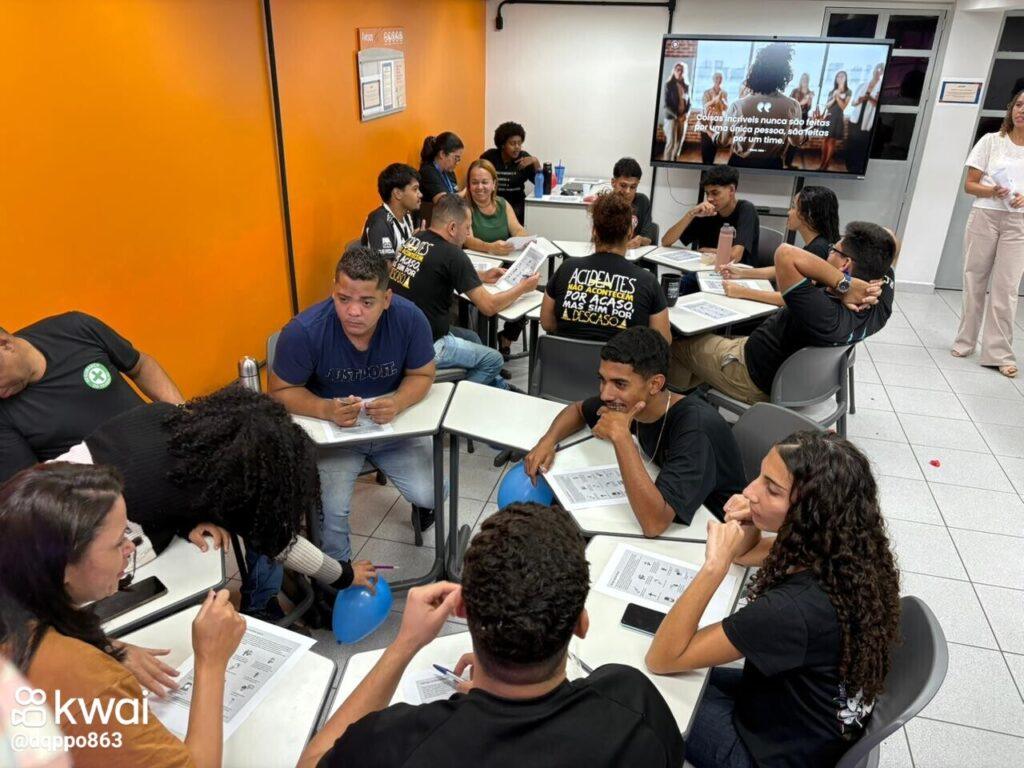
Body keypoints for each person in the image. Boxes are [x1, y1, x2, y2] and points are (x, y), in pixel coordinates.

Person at [299, 502, 685, 768]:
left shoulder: (395, 743)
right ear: (581, 625)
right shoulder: (634, 704)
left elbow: (312, 761)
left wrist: (404, 644)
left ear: (461, 610)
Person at [645, 431, 901, 768]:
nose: (750, 491)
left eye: (772, 489)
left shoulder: (790, 610)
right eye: (760, 476)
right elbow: (746, 553)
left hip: (767, 756)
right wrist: (752, 517)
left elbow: (663, 658)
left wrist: (713, 567)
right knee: (688, 673)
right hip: (803, 715)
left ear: (809, 511)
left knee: (649, 686)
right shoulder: (842, 548)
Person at [57, 385, 377, 622]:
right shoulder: (215, 486)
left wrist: (186, 522)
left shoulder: (160, 414)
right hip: (77, 558)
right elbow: (282, 544)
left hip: (47, 484)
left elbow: (156, 479)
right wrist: (345, 575)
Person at [0, 463, 247, 768]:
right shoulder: (87, 683)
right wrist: (211, 661)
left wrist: (103, 647)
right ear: (62, 565)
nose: (130, 547)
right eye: (118, 542)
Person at [270, 247, 440, 563]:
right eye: (343, 298)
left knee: (433, 492)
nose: (353, 312)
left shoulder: (409, 319)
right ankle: (338, 575)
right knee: (332, 512)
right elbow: (280, 390)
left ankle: (423, 509)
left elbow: (423, 373)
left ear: (386, 299)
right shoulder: (304, 331)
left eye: (367, 302)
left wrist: (398, 401)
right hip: (334, 437)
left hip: (393, 428)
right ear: (333, 291)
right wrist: (325, 409)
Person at [525, 328, 746, 536]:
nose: (605, 395)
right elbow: (578, 410)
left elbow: (654, 524)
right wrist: (547, 441)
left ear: (655, 384)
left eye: (620, 384)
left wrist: (621, 437)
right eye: (602, 380)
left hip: (716, 531)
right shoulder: (632, 403)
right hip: (677, 513)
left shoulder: (695, 428)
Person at [668, 222, 896, 404]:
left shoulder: (823, 311)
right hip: (798, 380)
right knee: (706, 343)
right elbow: (889, 241)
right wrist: (847, 284)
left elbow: (785, 254)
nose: (827, 254)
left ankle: (674, 407)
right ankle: (698, 387)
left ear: (845, 265)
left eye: (832, 250)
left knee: (673, 342)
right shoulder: (880, 305)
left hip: (750, 374)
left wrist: (844, 284)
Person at [0, 312, 183, 483]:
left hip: (171, 451)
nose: (1, 394)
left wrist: (182, 415)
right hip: (112, 494)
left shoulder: (74, 328)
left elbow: (140, 367)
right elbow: (32, 489)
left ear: (5, 344)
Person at [390, 194, 539, 390]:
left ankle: (498, 386)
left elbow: (436, 271)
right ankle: (459, 396)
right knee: (493, 360)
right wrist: (523, 287)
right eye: (467, 227)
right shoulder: (453, 255)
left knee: (473, 338)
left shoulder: (416, 239)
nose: (469, 233)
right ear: (452, 228)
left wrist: (481, 276)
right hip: (427, 346)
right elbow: (489, 307)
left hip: (399, 336)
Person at [952, 89, 1024, 379]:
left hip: (1019, 223)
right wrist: (992, 190)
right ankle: (965, 341)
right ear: (1011, 109)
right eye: (1019, 104)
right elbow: (969, 185)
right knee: (974, 279)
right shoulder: (991, 141)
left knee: (1006, 288)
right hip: (985, 216)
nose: (1022, 110)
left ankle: (999, 354)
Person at [543, 192, 670, 344]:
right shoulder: (647, 281)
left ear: (594, 231)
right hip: (622, 359)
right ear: (630, 232)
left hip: (566, 359)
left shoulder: (566, 268)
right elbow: (662, 341)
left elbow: (547, 323)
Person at [717, 186, 840, 307]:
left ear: (808, 214)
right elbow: (782, 271)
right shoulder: (821, 243)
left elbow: (794, 299)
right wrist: (742, 273)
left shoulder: (817, 249)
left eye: (793, 207)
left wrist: (742, 292)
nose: (789, 212)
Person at [462, 159, 531, 358]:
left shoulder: (502, 204)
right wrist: (490, 247)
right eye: (474, 182)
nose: (480, 187)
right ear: (469, 185)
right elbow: (468, 240)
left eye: (485, 182)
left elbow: (517, 229)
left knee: (526, 292)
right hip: (478, 268)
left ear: (494, 184)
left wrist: (521, 239)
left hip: (505, 264)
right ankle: (483, 349)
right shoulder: (465, 207)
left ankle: (506, 338)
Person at [662, 166, 761, 296]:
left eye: (715, 193)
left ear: (731, 190)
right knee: (667, 289)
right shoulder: (708, 212)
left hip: (736, 278)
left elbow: (734, 256)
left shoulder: (746, 210)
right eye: (707, 193)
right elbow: (666, 241)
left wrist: (709, 251)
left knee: (677, 290)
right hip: (705, 273)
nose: (709, 198)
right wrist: (691, 214)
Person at [717, 43, 803, 170]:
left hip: (739, 164)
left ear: (755, 72)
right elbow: (796, 141)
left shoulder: (737, 105)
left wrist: (707, 128)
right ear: (784, 74)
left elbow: (722, 141)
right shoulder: (793, 106)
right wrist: (813, 127)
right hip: (773, 167)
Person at [480, 121, 541, 224]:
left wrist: (535, 161)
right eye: (512, 143)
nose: (517, 147)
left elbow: (542, 185)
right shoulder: (490, 157)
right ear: (503, 144)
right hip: (493, 206)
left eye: (519, 143)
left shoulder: (524, 158)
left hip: (517, 208)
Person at [362, 163, 422, 259]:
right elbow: (385, 266)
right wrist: (412, 248)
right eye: (415, 189)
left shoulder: (406, 216)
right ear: (398, 193)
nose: (420, 194)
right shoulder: (380, 222)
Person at [609, 157, 658, 248]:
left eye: (633, 187)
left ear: (638, 184)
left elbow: (648, 238)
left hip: (635, 254)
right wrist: (623, 246)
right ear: (613, 182)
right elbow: (598, 240)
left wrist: (641, 240)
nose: (628, 191)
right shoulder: (605, 204)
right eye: (623, 185)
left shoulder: (643, 201)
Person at [846, 64, 883, 175]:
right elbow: (853, 103)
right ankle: (849, 165)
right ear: (873, 70)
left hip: (867, 121)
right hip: (855, 119)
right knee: (852, 142)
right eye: (877, 69)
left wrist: (870, 98)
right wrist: (860, 100)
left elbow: (879, 106)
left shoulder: (881, 87)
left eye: (881, 70)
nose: (878, 72)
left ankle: (857, 168)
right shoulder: (862, 85)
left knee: (862, 144)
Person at [419, 132, 464, 205]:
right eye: (456, 158)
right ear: (442, 154)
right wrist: (466, 192)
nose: (457, 163)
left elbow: (455, 197)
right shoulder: (428, 172)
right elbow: (443, 202)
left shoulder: (450, 173)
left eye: (459, 159)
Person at [819, 71, 851, 171]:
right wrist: (834, 96)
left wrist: (837, 96)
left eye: (842, 76)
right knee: (824, 140)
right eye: (838, 76)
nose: (840, 78)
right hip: (828, 117)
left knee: (831, 142)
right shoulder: (831, 91)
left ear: (845, 78)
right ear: (836, 79)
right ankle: (822, 163)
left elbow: (843, 107)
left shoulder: (848, 92)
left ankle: (826, 165)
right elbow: (827, 105)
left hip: (837, 118)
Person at [784, 73, 814, 168]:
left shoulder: (810, 92)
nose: (804, 80)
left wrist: (809, 100)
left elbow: (808, 108)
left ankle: (788, 163)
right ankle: (782, 161)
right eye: (803, 78)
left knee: (796, 141)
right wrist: (803, 101)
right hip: (793, 117)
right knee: (786, 140)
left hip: (803, 118)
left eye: (806, 78)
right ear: (801, 80)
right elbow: (790, 105)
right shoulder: (795, 91)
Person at [662, 62, 690, 161]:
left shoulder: (686, 86)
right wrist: (678, 116)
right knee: (671, 142)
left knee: (679, 142)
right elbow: (666, 105)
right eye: (677, 69)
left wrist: (686, 114)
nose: (680, 72)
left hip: (683, 118)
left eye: (682, 70)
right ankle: (666, 163)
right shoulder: (668, 85)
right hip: (672, 118)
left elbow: (689, 103)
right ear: (674, 71)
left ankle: (673, 162)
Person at [699, 72, 728, 165]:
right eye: (716, 78)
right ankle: (705, 167)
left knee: (714, 147)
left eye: (720, 78)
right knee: (705, 148)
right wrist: (714, 100)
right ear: (713, 79)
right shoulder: (706, 92)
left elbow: (726, 108)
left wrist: (723, 102)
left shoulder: (724, 93)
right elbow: (705, 106)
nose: (718, 80)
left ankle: (710, 165)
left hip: (718, 124)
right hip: (707, 123)